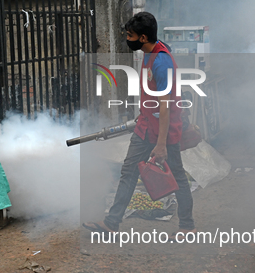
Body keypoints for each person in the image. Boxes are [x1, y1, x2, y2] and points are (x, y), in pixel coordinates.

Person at [83, 12, 195, 239]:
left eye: (130, 35)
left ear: (143, 38)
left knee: (177, 178)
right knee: (128, 172)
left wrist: (162, 145)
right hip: (145, 126)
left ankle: (187, 226)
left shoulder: (161, 61)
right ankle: (111, 223)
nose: (128, 38)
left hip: (165, 130)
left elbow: (165, 107)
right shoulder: (150, 52)